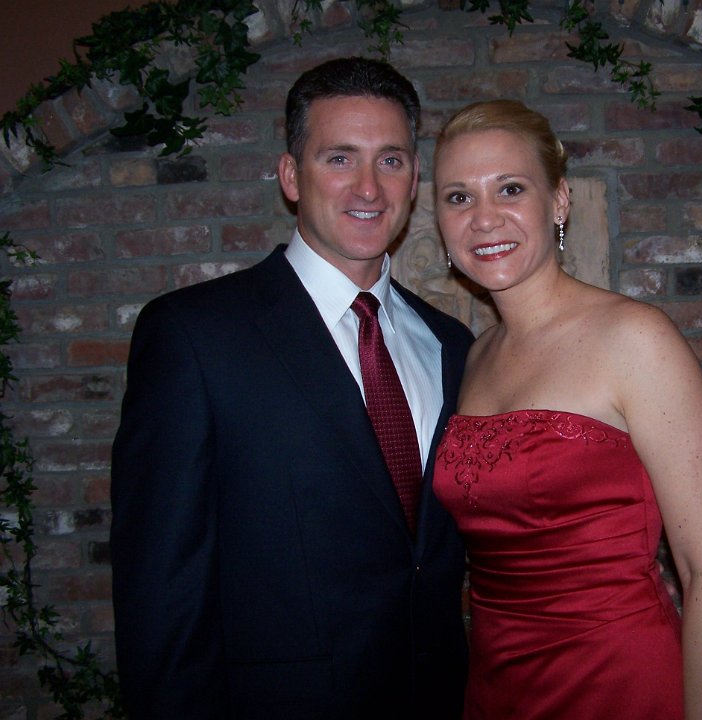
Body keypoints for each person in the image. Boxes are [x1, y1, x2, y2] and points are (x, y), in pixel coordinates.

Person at [110, 57, 473, 719]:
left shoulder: (451, 344)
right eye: (340, 158)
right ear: (290, 175)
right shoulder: (195, 337)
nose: (369, 187)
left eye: (391, 160)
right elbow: (161, 591)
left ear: (415, 178)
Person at [431, 99, 702, 719]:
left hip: (616, 681)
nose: (484, 218)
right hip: (496, 684)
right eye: (459, 197)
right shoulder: (473, 356)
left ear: (559, 201)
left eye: (510, 189)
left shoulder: (635, 339)